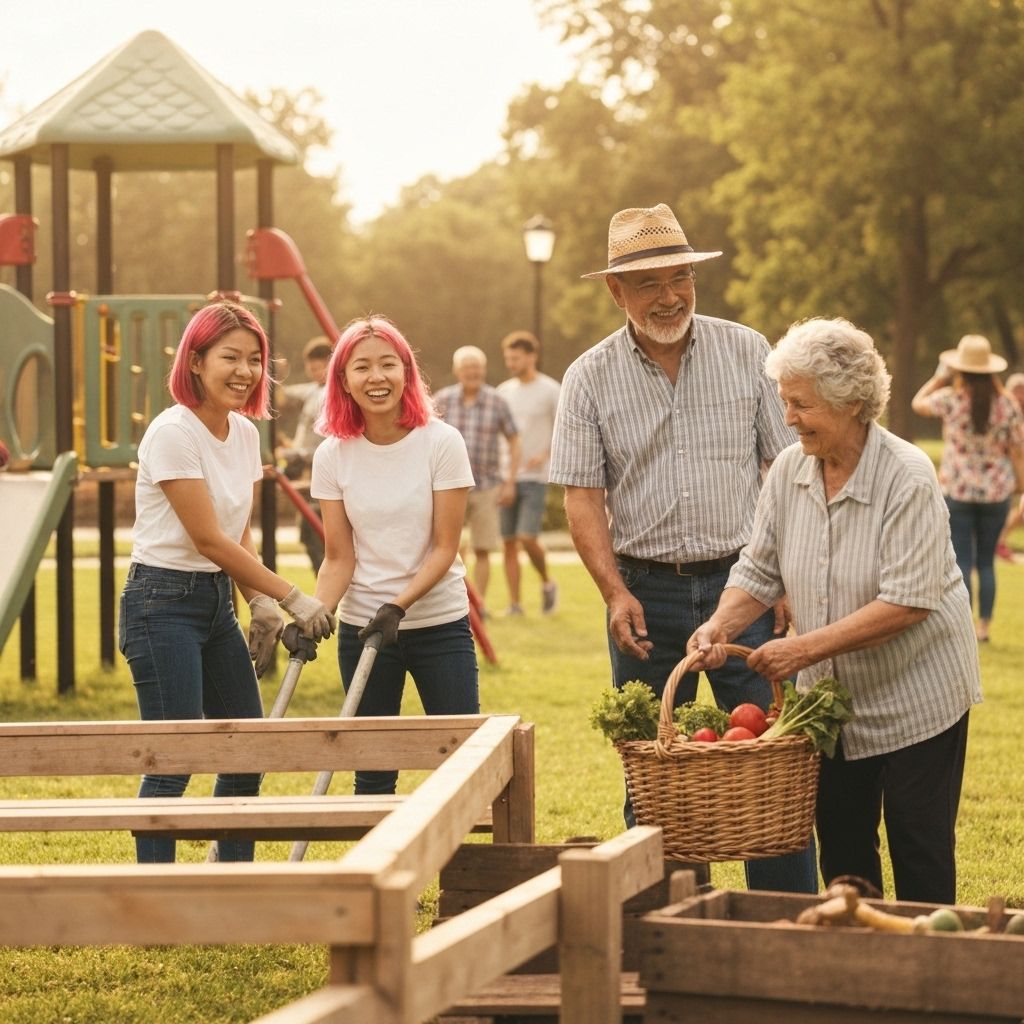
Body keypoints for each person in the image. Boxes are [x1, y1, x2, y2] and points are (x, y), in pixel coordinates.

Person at [548, 202, 815, 893]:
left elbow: (786, 469)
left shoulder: (749, 351)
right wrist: (614, 591)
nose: (668, 296)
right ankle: (667, 922)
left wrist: (779, 576)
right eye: (647, 284)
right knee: (656, 773)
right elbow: (582, 495)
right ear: (616, 291)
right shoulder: (588, 376)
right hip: (645, 590)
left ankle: (786, 927)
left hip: (743, 583)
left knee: (768, 759)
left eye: (679, 278)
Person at [692, 317, 982, 904]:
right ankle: (854, 971)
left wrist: (802, 648)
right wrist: (719, 623)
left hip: (918, 695)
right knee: (845, 848)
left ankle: (931, 978)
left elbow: (908, 602)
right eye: (785, 402)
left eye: (801, 404)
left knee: (918, 845)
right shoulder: (789, 473)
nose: (788, 418)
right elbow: (758, 568)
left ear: (850, 403)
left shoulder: (906, 475)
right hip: (834, 701)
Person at [119, 300, 336, 864]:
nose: (245, 371)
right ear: (195, 361)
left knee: (247, 749)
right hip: (160, 601)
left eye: (255, 360)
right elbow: (207, 539)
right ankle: (154, 894)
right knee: (175, 756)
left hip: (215, 602)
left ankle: (231, 879)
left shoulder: (243, 432)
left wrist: (258, 601)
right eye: (229, 357)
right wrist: (292, 596)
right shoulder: (172, 433)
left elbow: (236, 527)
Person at [311, 315, 479, 795]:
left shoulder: (441, 443)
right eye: (361, 367)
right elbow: (338, 557)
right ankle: (375, 871)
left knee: (457, 760)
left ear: (407, 372)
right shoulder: (333, 454)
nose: (376, 377)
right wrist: (315, 613)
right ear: (343, 380)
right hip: (363, 628)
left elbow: (445, 548)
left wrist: (399, 605)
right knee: (372, 772)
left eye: (388, 364)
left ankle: (459, 866)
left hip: (437, 625)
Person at [911, 335, 1024, 642]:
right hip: (996, 493)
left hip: (957, 491)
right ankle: (984, 627)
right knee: (987, 562)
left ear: (960, 368)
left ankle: (964, 625)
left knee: (962, 561)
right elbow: (1017, 449)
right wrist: (1020, 483)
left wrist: (938, 377)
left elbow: (917, 404)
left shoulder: (951, 398)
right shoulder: (1007, 404)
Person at [434, 345, 521, 611]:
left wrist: (510, 481)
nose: (472, 372)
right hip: (449, 486)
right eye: (467, 367)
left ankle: (478, 606)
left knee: (483, 548)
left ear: (483, 370)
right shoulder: (443, 400)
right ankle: (458, 602)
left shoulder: (497, 401)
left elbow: (514, 440)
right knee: (448, 547)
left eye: (477, 367)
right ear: (457, 370)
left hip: (486, 485)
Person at [497, 330, 561, 616]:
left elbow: (564, 428)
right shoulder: (503, 392)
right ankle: (515, 604)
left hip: (535, 477)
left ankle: (547, 583)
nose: (511, 363)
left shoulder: (550, 390)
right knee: (508, 542)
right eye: (508, 358)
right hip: (505, 476)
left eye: (516, 357)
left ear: (531, 357)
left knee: (526, 536)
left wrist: (546, 454)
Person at [275, 335, 333, 572]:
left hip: (319, 471)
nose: (313, 372)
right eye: (310, 367)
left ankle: (331, 598)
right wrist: (275, 374)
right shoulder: (312, 390)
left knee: (318, 538)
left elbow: (327, 443)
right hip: (307, 470)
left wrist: (294, 454)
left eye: (318, 367)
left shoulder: (331, 395)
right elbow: (281, 395)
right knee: (309, 536)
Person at [996, 372, 1024, 561]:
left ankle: (999, 541)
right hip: (1006, 471)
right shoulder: (1003, 408)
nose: (1021, 398)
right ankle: (998, 542)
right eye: (1019, 392)